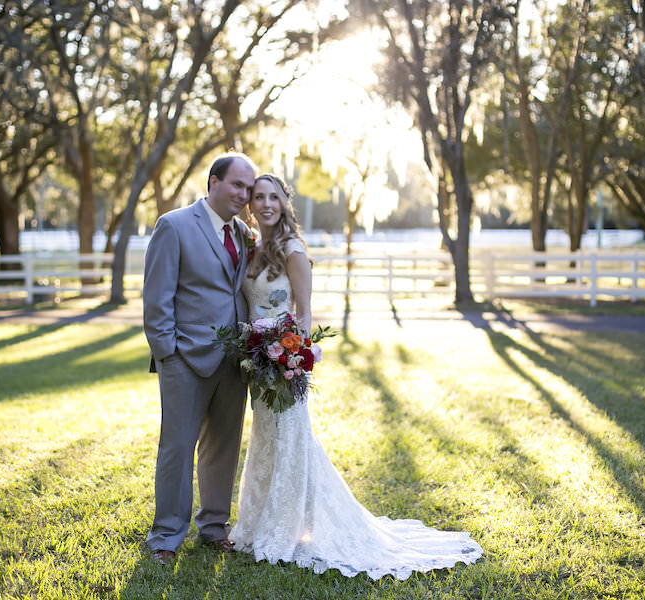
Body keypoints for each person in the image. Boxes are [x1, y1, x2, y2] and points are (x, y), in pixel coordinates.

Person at [230, 174, 483, 579]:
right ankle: (263, 521)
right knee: (267, 441)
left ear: (285, 203)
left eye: (273, 197)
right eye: (258, 197)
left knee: (292, 440)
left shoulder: (293, 251)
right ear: (250, 204)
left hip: (283, 364)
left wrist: (291, 356)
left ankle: (286, 528)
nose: (265, 204)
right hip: (258, 365)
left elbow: (305, 314)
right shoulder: (253, 248)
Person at [142, 152, 258, 565]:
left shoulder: (244, 233)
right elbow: (156, 301)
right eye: (237, 186)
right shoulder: (173, 226)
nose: (244, 195)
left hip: (234, 362)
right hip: (184, 361)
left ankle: (213, 528)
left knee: (223, 448)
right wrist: (168, 355)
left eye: (249, 188)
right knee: (177, 448)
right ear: (213, 182)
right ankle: (166, 537)